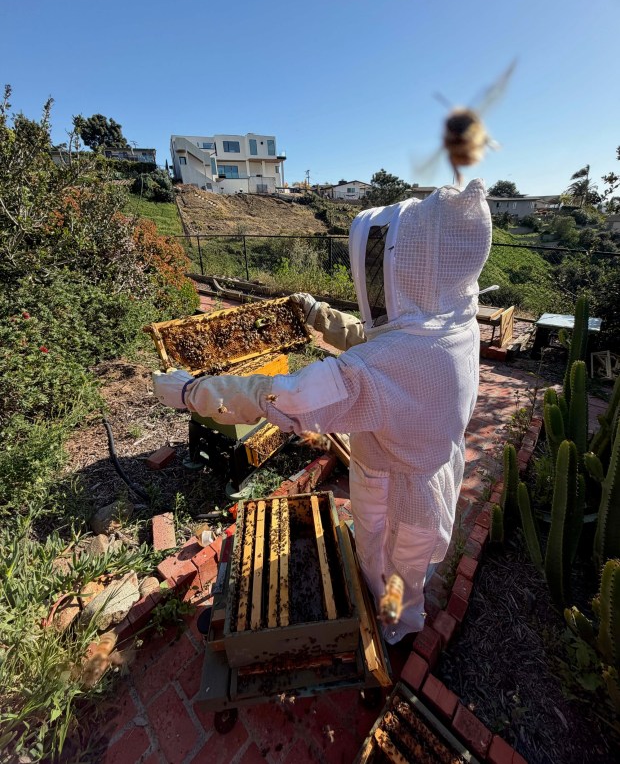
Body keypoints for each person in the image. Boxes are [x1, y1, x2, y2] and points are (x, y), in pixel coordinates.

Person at [152, 178, 492, 644]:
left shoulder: (383, 367)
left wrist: (192, 392)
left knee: (394, 576)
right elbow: (382, 344)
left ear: (407, 270)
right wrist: (318, 315)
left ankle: (394, 637)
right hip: (428, 476)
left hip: (397, 490)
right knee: (400, 563)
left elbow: (283, 396)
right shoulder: (452, 325)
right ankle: (392, 615)